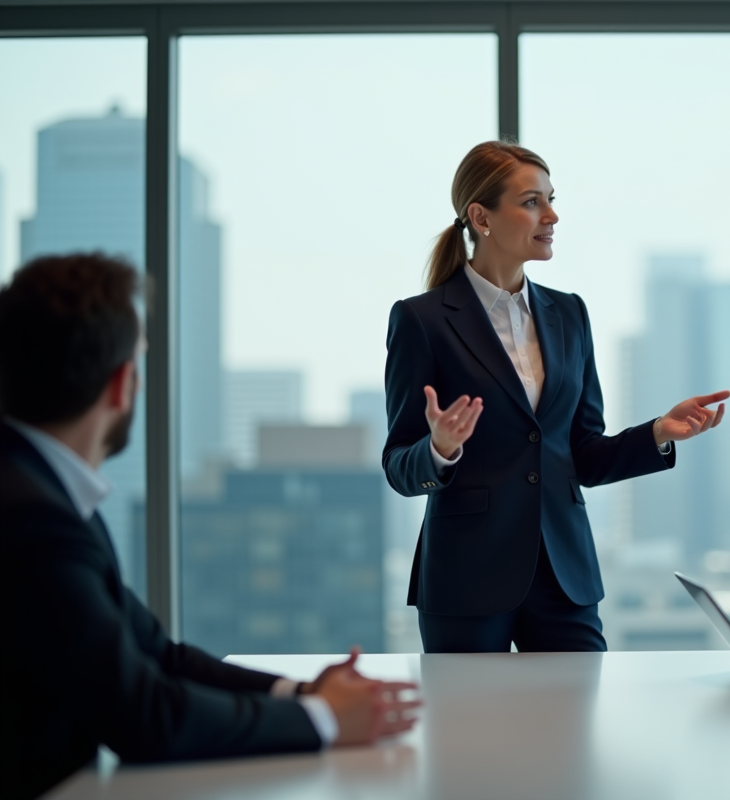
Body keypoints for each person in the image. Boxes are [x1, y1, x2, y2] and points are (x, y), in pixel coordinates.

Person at [0, 254, 421, 800]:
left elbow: (159, 656)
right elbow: (144, 717)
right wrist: (325, 720)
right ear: (123, 384)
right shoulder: (34, 520)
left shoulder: (41, 490)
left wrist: (303, 692)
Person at [383, 141, 729, 653]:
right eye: (531, 202)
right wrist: (440, 447)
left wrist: (657, 432)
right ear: (481, 216)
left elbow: (583, 455)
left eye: (550, 199)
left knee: (576, 729)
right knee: (471, 733)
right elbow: (398, 465)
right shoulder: (423, 321)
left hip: (566, 576)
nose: (552, 215)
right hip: (467, 578)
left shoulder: (570, 314)